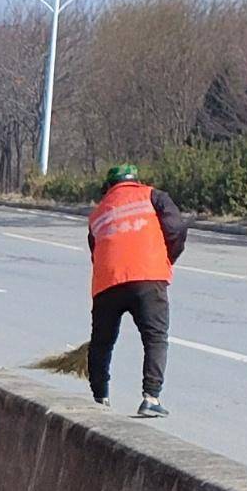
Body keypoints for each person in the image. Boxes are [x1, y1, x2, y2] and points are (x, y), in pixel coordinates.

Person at [86, 162, 188, 420]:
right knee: (155, 337)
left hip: (108, 282)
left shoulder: (97, 213)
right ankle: (150, 398)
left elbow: (95, 251)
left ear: (108, 187)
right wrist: (167, 257)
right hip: (148, 277)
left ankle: (100, 399)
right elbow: (176, 228)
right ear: (136, 181)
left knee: (102, 342)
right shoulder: (153, 197)